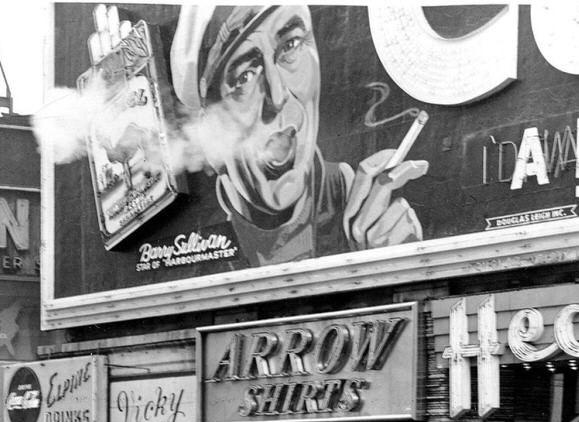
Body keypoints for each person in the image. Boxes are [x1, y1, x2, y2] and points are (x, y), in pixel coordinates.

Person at [168, 4, 426, 267]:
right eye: (244, 76)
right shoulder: (208, 251)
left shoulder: (361, 208)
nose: (278, 96)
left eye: (290, 46)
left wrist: (402, 266)